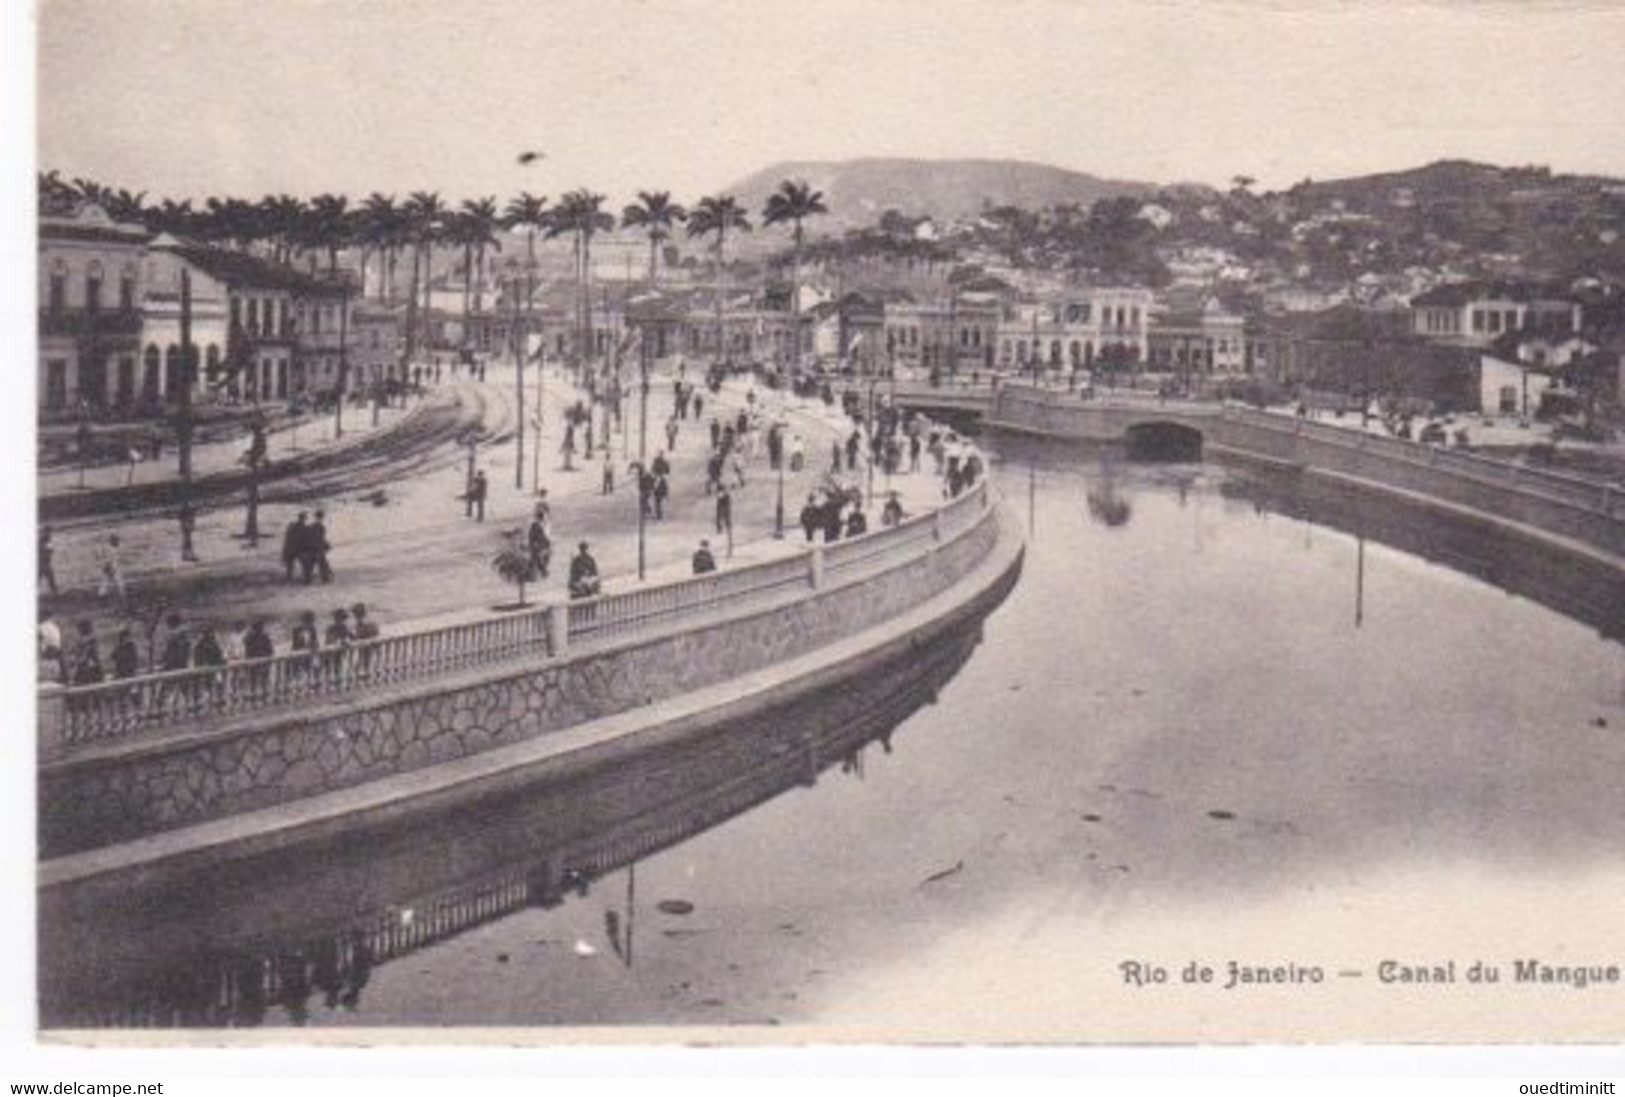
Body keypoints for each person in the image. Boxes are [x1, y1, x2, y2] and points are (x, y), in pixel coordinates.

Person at [69, 621, 103, 686]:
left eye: (79, 629)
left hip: (88, 669)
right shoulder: (86, 641)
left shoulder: (86, 641)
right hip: (88, 668)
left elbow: (77, 659)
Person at [94, 534, 126, 600]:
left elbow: (112, 559)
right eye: (117, 541)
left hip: (111, 567)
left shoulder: (112, 548)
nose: (118, 542)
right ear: (113, 541)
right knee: (115, 581)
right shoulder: (110, 549)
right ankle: (121, 594)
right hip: (110, 567)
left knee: (107, 581)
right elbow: (108, 560)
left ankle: (102, 594)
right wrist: (110, 567)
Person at [38, 607, 63, 682]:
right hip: (57, 652)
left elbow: (40, 639)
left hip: (48, 653)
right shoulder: (55, 627)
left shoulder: (41, 626)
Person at [282, 512, 309, 583]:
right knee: (293, 564)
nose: (303, 520)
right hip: (294, 549)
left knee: (302, 563)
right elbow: (289, 538)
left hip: (296, 549)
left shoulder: (301, 527)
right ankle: (290, 578)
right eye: (303, 519)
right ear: (300, 518)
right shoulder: (298, 527)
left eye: (304, 519)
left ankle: (303, 578)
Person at [527, 508, 552, 579]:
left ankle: (534, 573)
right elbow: (535, 536)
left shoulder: (539, 525)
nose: (544, 519)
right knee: (536, 558)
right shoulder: (536, 525)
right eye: (543, 517)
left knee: (535, 559)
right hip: (536, 545)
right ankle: (540, 572)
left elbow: (541, 536)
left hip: (538, 545)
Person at [311, 509, 334, 582]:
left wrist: (326, 544)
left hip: (317, 547)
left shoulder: (315, 526)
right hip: (317, 547)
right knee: (322, 562)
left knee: (322, 562)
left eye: (321, 517)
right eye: (321, 517)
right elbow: (319, 538)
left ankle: (325, 576)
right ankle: (325, 577)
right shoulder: (319, 526)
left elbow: (321, 537)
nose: (321, 519)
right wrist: (325, 544)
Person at [39, 525, 59, 596]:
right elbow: (48, 550)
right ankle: (55, 593)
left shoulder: (47, 540)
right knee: (50, 578)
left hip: (44, 563)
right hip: (42, 563)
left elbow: (50, 550)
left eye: (50, 532)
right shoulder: (42, 540)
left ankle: (55, 593)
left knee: (50, 579)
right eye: (48, 532)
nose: (50, 533)